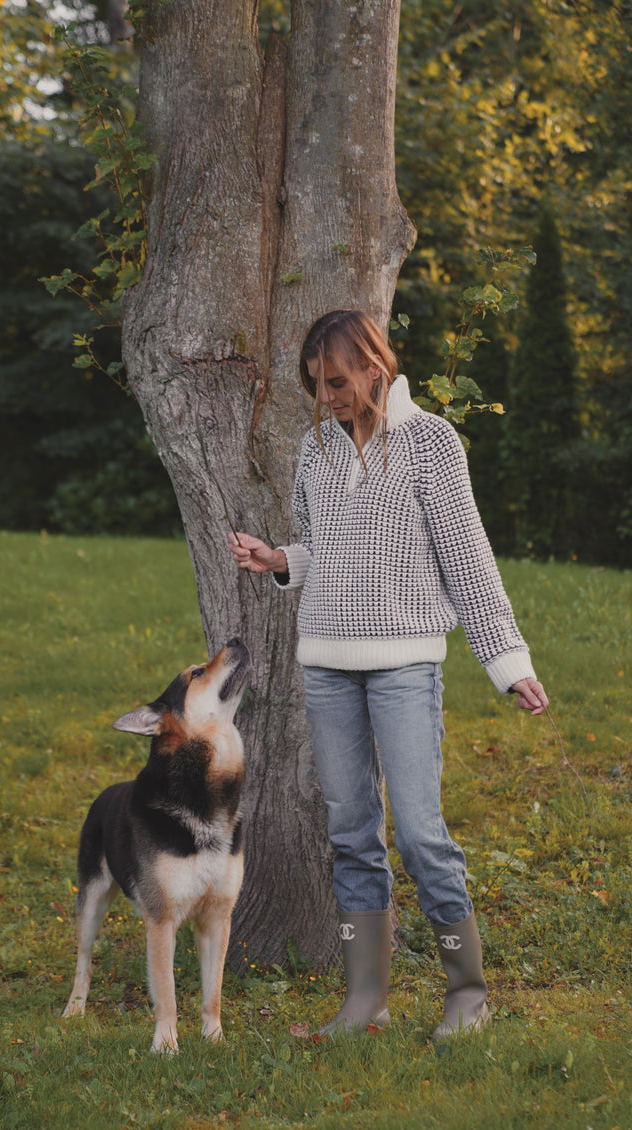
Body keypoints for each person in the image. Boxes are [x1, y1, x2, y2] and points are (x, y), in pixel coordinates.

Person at [228, 309, 549, 1040]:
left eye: (338, 381)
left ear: (375, 364)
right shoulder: (315, 448)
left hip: (406, 664)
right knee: (350, 832)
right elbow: (321, 547)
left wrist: (509, 662)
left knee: (421, 834)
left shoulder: (432, 442)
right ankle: (364, 999)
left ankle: (467, 992)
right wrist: (280, 561)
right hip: (328, 667)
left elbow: (467, 559)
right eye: (317, 385)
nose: (329, 396)